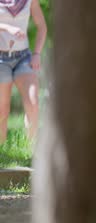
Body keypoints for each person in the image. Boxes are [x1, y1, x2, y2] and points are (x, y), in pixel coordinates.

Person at [0, 0, 47, 144]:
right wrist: (8, 28)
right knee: (2, 109)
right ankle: (2, 149)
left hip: (23, 57)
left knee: (33, 102)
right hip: (1, 59)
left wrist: (37, 54)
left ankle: (30, 149)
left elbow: (42, 27)